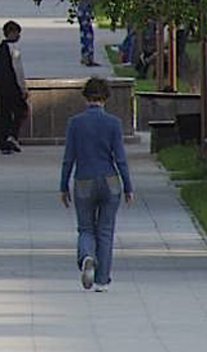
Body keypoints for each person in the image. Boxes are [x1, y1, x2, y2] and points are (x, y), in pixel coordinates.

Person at [60, 77, 134, 292]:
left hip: (83, 179)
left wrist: (63, 185)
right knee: (106, 230)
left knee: (85, 228)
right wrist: (128, 186)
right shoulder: (114, 123)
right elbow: (120, 157)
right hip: (110, 179)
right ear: (106, 98)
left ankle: (86, 256)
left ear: (85, 97)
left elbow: (69, 157)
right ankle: (102, 280)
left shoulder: (75, 123)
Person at [0, 21, 31, 154]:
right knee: (22, 111)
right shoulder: (14, 50)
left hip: (0, 90)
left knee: (3, 115)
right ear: (12, 33)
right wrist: (23, 89)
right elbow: (18, 71)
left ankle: (3, 142)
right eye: (17, 33)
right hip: (12, 88)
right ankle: (12, 136)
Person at [76, 0, 99, 67]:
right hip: (85, 12)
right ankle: (87, 57)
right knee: (87, 35)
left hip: (84, 11)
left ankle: (87, 56)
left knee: (88, 34)